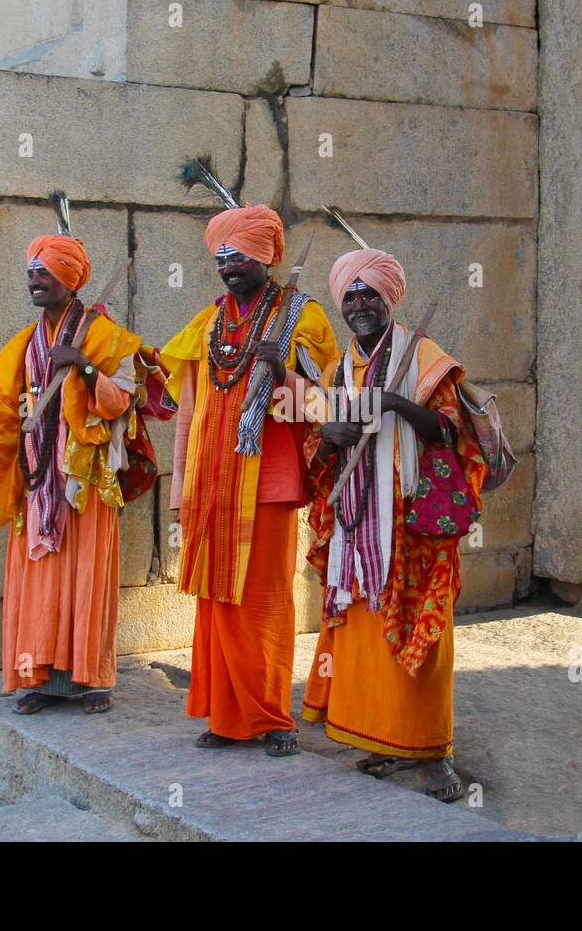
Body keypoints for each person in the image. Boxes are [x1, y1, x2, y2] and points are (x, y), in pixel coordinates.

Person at [0, 234, 153, 715]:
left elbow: (123, 400)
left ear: (69, 279)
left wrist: (85, 368)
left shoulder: (104, 335)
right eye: (31, 271)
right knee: (38, 586)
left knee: (85, 581)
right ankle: (38, 680)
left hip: (85, 485)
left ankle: (91, 682)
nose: (35, 280)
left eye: (44, 272)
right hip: (36, 483)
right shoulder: (26, 342)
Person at [298, 248, 488, 801]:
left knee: (421, 640)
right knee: (364, 635)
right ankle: (382, 740)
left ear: (388, 298)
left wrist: (394, 404)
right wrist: (330, 436)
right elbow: (322, 440)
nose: (359, 304)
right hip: (358, 526)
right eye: (350, 295)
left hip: (413, 523)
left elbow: (452, 432)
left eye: (368, 294)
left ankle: (433, 758)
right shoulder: (337, 368)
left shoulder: (422, 356)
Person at [160, 204, 339, 756]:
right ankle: (227, 717)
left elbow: (324, 406)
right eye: (221, 258)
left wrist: (283, 369)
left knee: (262, 601)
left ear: (266, 257)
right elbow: (189, 412)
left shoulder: (302, 318)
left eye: (239, 256)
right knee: (216, 599)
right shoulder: (208, 323)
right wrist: (180, 489)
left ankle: (272, 718)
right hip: (211, 482)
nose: (229, 267)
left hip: (268, 480)